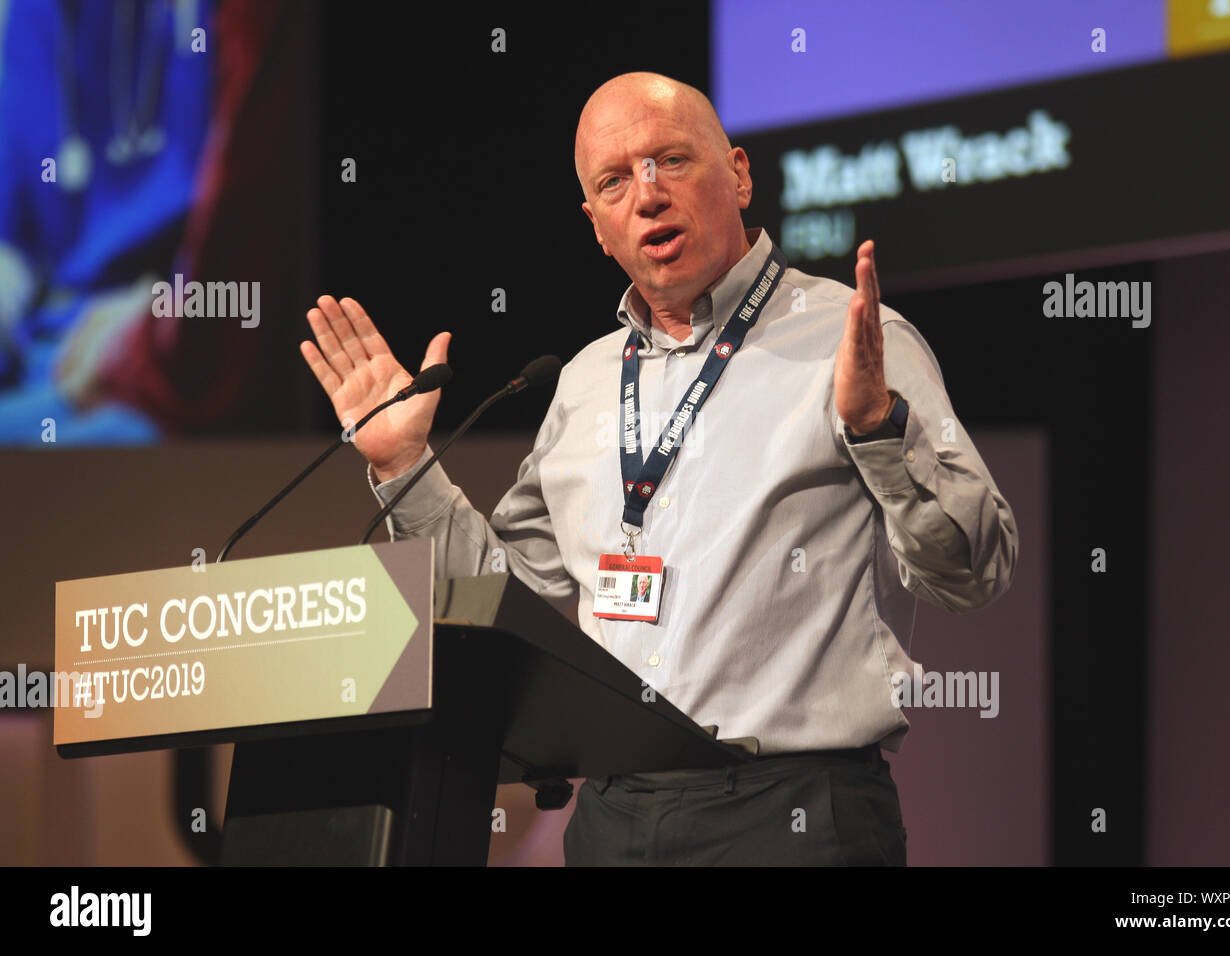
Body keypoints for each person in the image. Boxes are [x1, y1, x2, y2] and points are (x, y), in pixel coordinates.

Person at [299, 72, 1019, 866]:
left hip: (793, 816)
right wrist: (406, 464)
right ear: (596, 225)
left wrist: (879, 429)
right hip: (615, 818)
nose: (647, 195)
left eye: (671, 161)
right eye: (614, 180)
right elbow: (500, 603)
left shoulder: (856, 340)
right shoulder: (584, 382)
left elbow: (973, 572)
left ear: (739, 174)